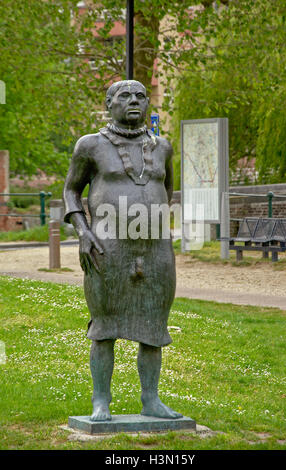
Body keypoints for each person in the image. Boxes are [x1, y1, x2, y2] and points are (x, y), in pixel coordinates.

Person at [63, 79, 182, 421]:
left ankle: (152, 400)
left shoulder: (163, 147)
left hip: (156, 251)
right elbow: (71, 192)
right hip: (106, 249)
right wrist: (83, 232)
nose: (134, 101)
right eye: (124, 95)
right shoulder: (90, 146)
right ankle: (101, 401)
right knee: (104, 328)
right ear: (109, 103)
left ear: (148, 104)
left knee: (154, 328)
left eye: (141, 96)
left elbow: (167, 190)